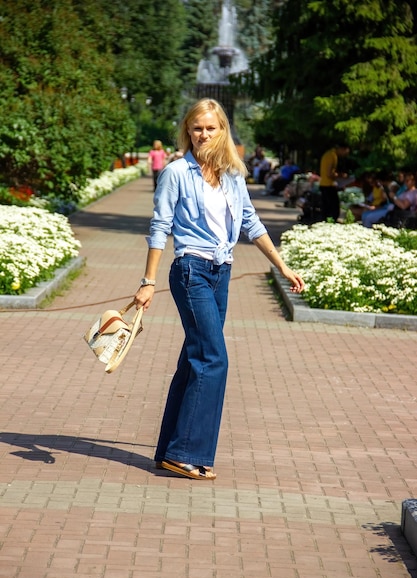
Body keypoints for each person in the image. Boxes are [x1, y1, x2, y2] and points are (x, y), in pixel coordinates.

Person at [133, 98, 305, 481]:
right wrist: (148, 282)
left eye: (211, 128)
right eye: (197, 128)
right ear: (187, 131)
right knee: (214, 359)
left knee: (194, 359)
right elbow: (160, 226)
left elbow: (251, 222)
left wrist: (282, 265)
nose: (203, 134)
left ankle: (168, 451)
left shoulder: (232, 175)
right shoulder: (176, 173)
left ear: (223, 130)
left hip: (221, 272)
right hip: (191, 270)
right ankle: (186, 453)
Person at [319, 143, 350, 221]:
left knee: (326, 208)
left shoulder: (328, 154)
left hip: (324, 184)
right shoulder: (332, 156)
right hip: (328, 185)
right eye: (345, 152)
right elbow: (329, 173)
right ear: (342, 149)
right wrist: (341, 176)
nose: (345, 155)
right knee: (334, 209)